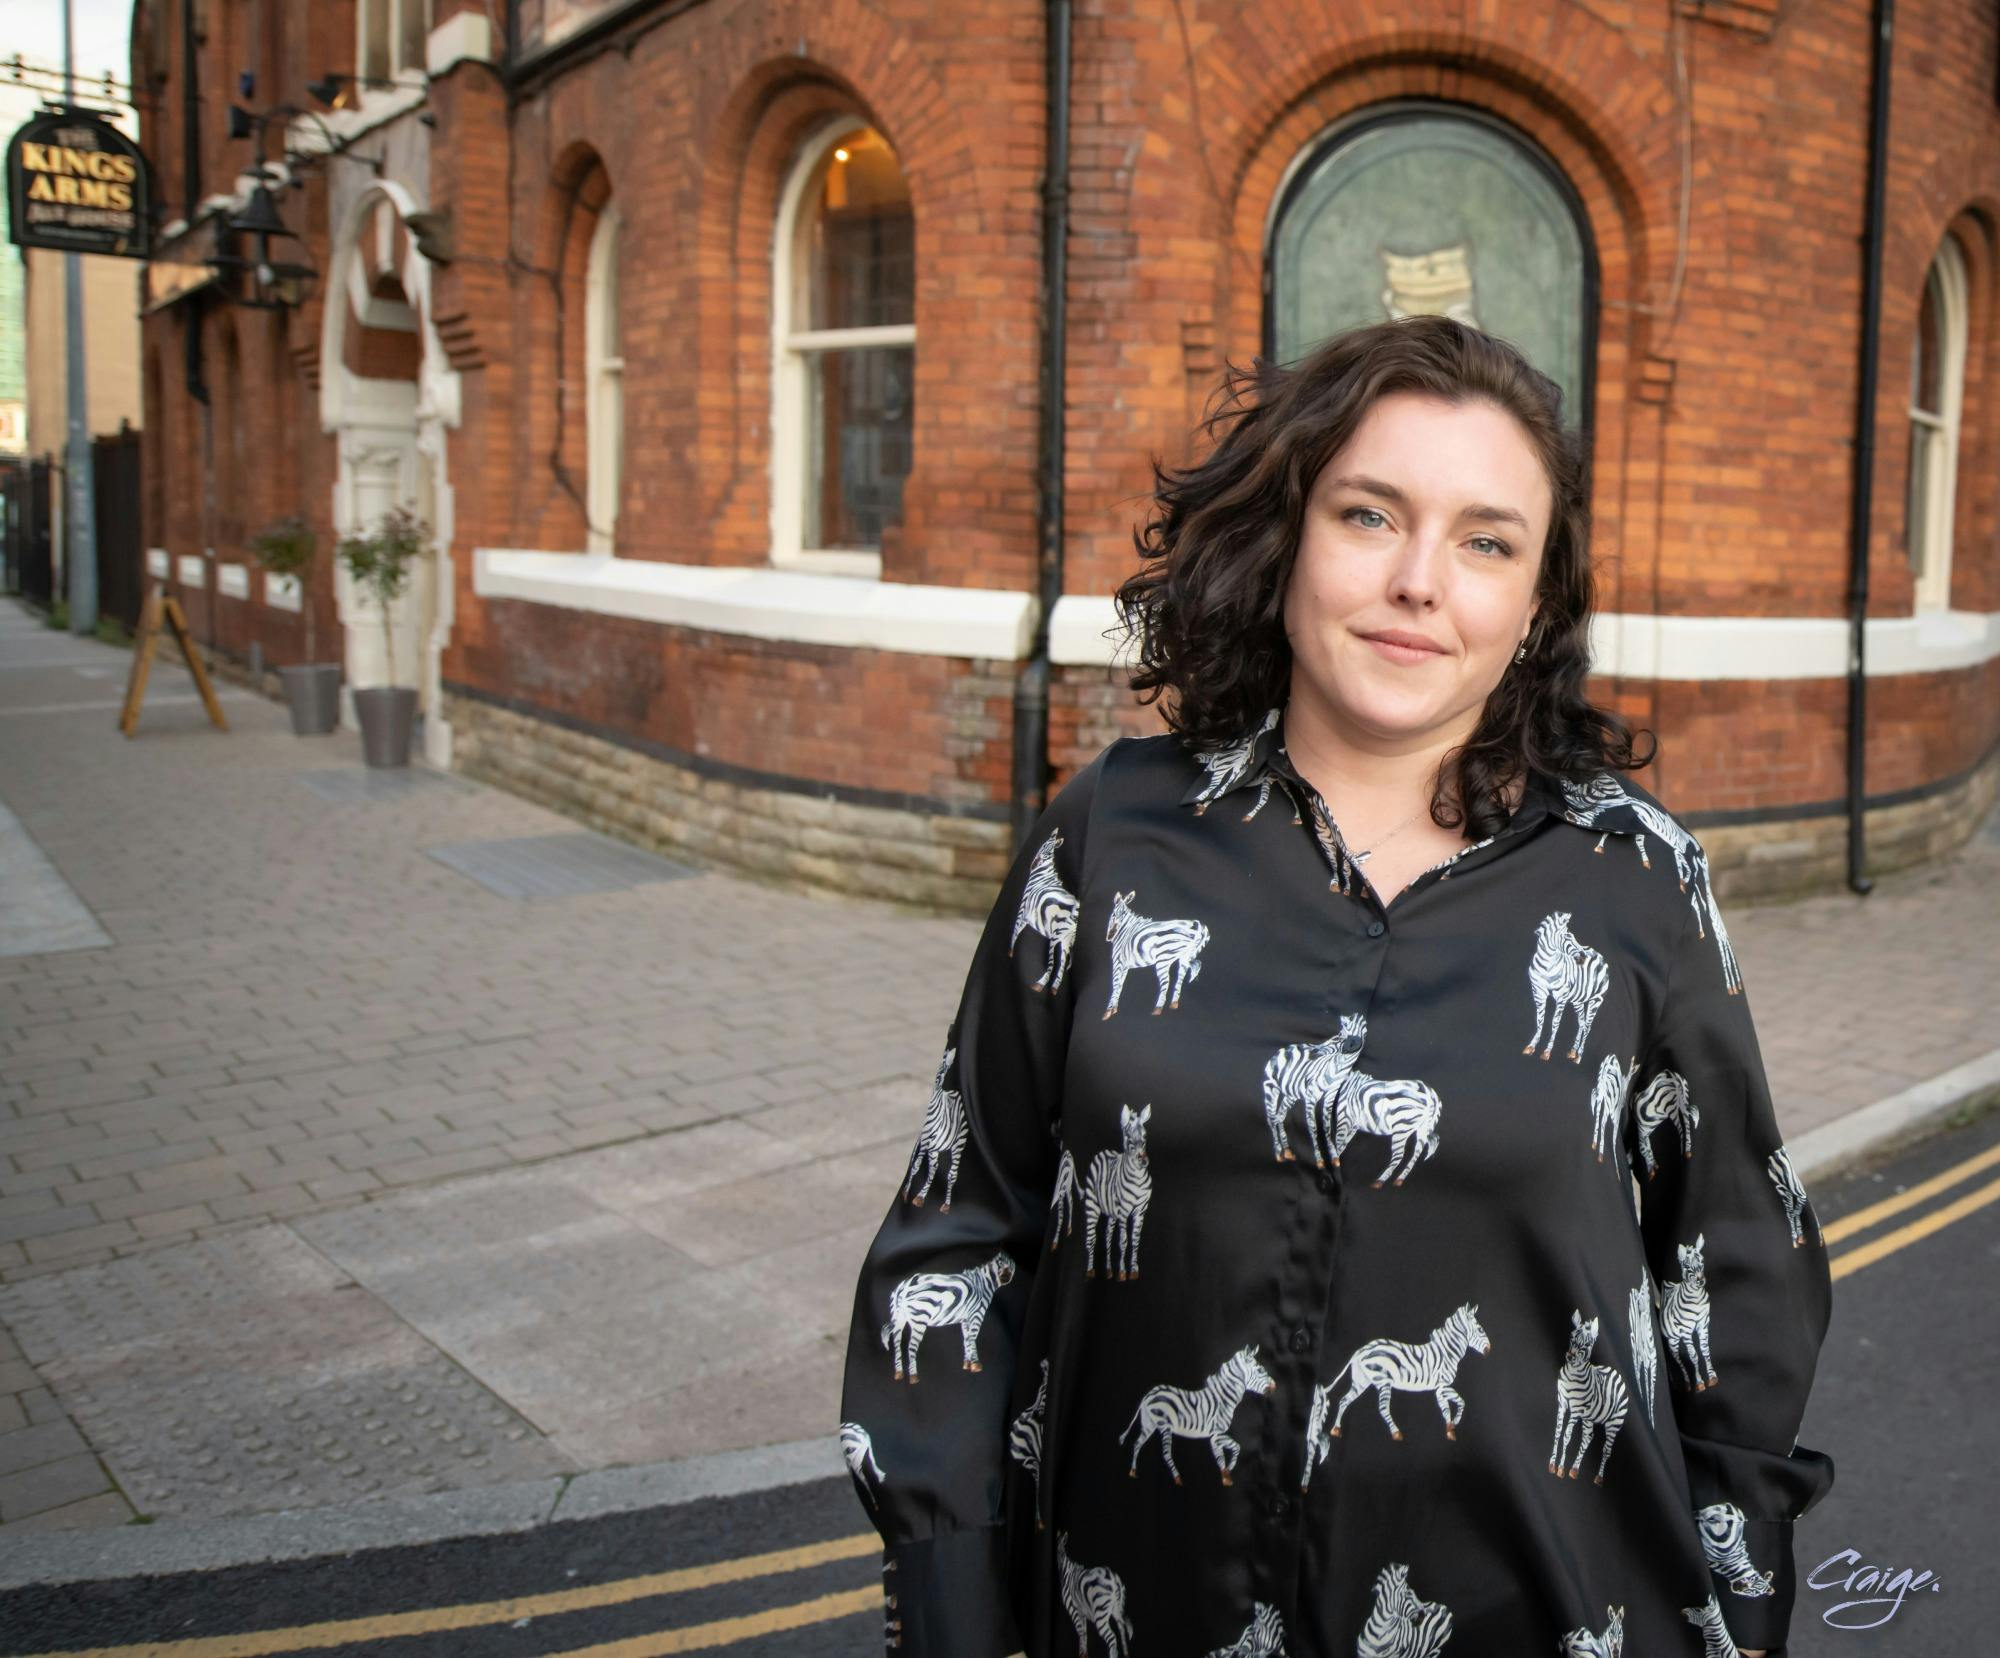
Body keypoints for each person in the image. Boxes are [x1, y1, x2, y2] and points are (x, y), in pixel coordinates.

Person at [837, 314, 1833, 1657]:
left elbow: (1740, 1269)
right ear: (1287, 537)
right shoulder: (1112, 835)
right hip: (1139, 1611)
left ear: (1536, 606)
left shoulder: (1638, 879)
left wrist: (1744, 1600)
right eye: (1371, 514)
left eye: (1487, 542)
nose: (1420, 581)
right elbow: (961, 1220)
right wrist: (953, 1596)